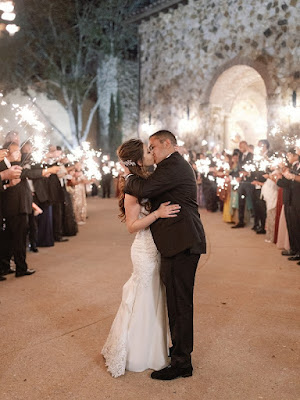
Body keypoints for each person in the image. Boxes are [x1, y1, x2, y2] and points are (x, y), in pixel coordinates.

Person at [124, 131, 206, 380]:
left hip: (182, 243)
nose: (151, 153)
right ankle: (179, 351)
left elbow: (146, 187)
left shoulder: (172, 165)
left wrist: (127, 172)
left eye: (153, 147)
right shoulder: (169, 166)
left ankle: (182, 363)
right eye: (148, 149)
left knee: (180, 304)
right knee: (175, 301)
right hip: (176, 243)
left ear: (167, 144)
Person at [101, 138, 181, 377]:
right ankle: (137, 353)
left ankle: (153, 349)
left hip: (155, 247)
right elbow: (132, 225)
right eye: (146, 152)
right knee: (143, 298)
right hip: (143, 250)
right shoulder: (130, 186)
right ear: (137, 159)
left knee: (155, 297)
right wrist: (157, 213)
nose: (150, 154)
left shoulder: (143, 181)